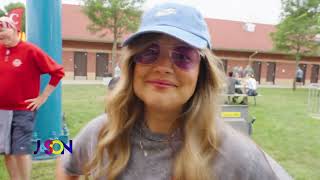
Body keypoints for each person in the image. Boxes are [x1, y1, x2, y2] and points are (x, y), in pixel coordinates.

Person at [57, 3, 292, 180]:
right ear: (132, 65)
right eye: (149, 51)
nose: (163, 67)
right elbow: (63, 152)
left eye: (183, 56)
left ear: (201, 74)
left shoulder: (237, 155)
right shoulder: (100, 131)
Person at [0, 16, 65, 180]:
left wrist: (42, 97)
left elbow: (57, 72)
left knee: (20, 151)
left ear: (15, 30)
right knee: (7, 151)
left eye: (3, 30)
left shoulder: (30, 50)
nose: (0, 35)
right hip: (1, 111)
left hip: (23, 110)